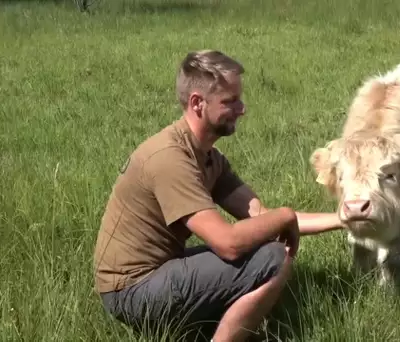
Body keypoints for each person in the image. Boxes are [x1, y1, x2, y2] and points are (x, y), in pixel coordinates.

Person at [93, 49, 342, 342]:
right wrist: (285, 216)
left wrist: (343, 217)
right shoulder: (170, 159)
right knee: (273, 257)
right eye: (230, 101)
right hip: (131, 291)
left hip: (155, 275)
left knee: (267, 243)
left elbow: (260, 215)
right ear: (198, 103)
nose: (242, 109)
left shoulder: (208, 157)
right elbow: (229, 245)